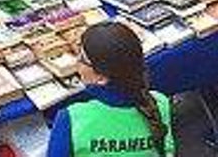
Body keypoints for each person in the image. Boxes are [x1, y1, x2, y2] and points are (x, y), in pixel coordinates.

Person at [46, 22, 174, 157]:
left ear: (101, 77)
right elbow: (168, 150)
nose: (76, 62)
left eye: (82, 58)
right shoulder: (160, 102)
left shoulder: (71, 119)